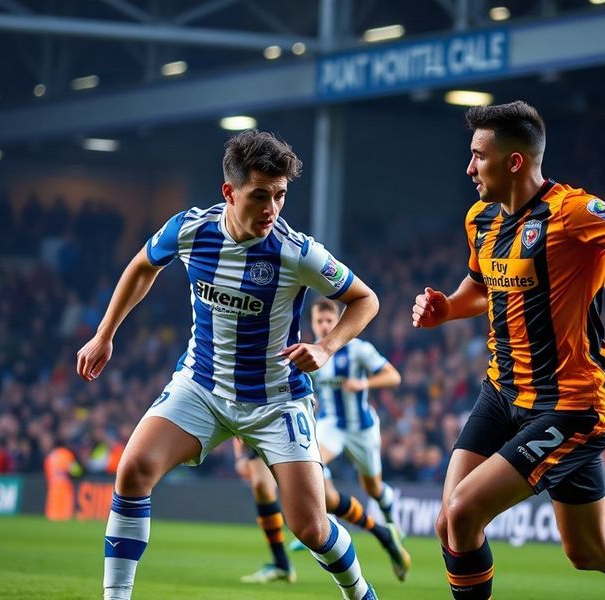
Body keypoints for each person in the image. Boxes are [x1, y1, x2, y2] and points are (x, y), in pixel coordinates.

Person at [411, 101, 605, 600]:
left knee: (461, 512)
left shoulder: (572, 212)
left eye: (478, 156)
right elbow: (481, 286)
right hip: (501, 393)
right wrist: (445, 308)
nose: (469, 168)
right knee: (588, 550)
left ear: (514, 161)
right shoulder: (481, 220)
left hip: (572, 406)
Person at [77, 130, 380, 600]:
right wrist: (104, 334)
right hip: (202, 385)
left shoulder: (295, 251)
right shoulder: (189, 230)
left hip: (277, 400)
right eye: (261, 196)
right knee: (133, 468)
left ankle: (361, 593)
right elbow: (141, 266)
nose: (272, 209)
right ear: (229, 192)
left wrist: (326, 347)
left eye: (280, 196)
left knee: (311, 527)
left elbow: (365, 300)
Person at [289, 298, 410, 581]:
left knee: (373, 486)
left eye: (329, 321)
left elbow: (394, 377)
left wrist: (365, 383)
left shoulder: (358, 350)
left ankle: (392, 525)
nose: (324, 326)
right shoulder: (312, 354)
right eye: (319, 321)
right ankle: (324, 520)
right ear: (314, 323)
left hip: (362, 428)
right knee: (312, 462)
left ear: (337, 322)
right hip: (332, 425)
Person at [234, 439, 296, 584]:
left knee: (327, 499)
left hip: (290, 429)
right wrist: (240, 454)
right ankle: (281, 564)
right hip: (261, 431)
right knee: (262, 487)